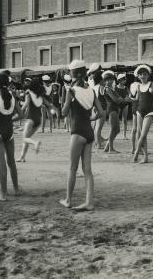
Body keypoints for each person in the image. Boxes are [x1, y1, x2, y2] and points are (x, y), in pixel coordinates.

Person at [59, 60, 106, 211]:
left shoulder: (71, 90)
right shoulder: (91, 91)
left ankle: (68, 200)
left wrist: (66, 99)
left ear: (74, 73)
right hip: (88, 132)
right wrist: (90, 119)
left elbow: (64, 113)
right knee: (87, 170)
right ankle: (89, 202)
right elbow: (101, 112)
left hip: (77, 131)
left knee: (72, 168)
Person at [0, 72, 22, 201]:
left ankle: (3, 194)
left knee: (1, 163)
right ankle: (16, 189)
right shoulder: (12, 97)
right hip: (9, 132)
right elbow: (21, 115)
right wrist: (10, 120)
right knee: (11, 162)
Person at [16, 78, 51, 162]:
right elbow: (48, 104)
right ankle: (22, 157)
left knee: (25, 138)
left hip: (30, 119)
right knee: (26, 138)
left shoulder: (29, 95)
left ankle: (35, 143)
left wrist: (17, 111)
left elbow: (24, 106)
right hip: (38, 120)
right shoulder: (40, 96)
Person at [132, 65, 153, 164]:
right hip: (139, 111)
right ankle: (145, 157)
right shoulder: (138, 86)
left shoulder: (151, 84)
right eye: (141, 74)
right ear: (138, 76)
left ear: (148, 75)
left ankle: (136, 152)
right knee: (141, 134)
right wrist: (129, 99)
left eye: (145, 74)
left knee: (143, 134)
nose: (143, 76)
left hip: (149, 112)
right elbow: (137, 99)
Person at [101, 70, 124, 154]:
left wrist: (120, 99)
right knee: (113, 128)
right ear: (104, 81)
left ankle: (107, 147)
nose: (110, 81)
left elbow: (119, 98)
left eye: (111, 79)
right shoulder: (107, 89)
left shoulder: (112, 88)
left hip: (114, 109)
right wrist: (120, 100)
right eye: (108, 80)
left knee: (117, 130)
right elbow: (116, 99)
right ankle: (111, 148)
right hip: (111, 109)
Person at [115, 74, 130, 140]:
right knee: (116, 119)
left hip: (125, 104)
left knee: (125, 119)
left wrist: (128, 97)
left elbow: (129, 95)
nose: (125, 81)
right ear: (119, 80)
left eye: (125, 79)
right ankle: (115, 133)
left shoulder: (126, 88)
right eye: (124, 79)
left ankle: (124, 135)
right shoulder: (115, 87)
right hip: (118, 104)